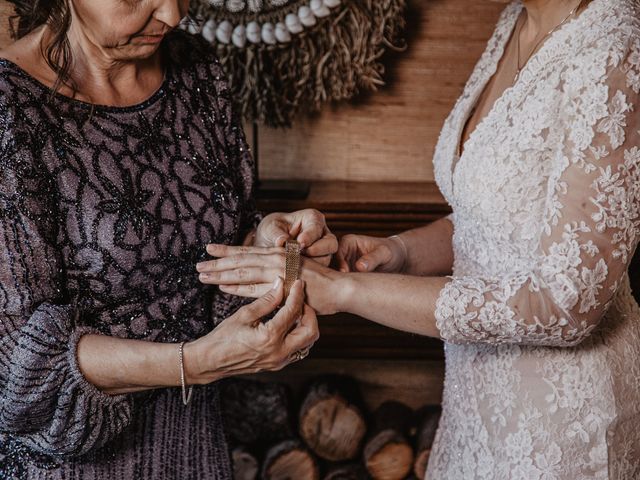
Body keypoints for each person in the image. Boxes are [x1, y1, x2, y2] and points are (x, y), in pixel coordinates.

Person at [198, 0, 640, 477]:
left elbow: (565, 303)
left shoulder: (615, 50)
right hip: (473, 408)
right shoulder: (518, 18)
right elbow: (496, 220)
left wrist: (346, 290)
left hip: (560, 425)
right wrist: (398, 252)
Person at [0, 1, 337, 478]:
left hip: (198, 447)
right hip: (71, 466)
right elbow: (13, 359)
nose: (173, 16)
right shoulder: (9, 109)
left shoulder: (194, 66)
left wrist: (264, 242)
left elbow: (212, 239)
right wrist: (194, 364)